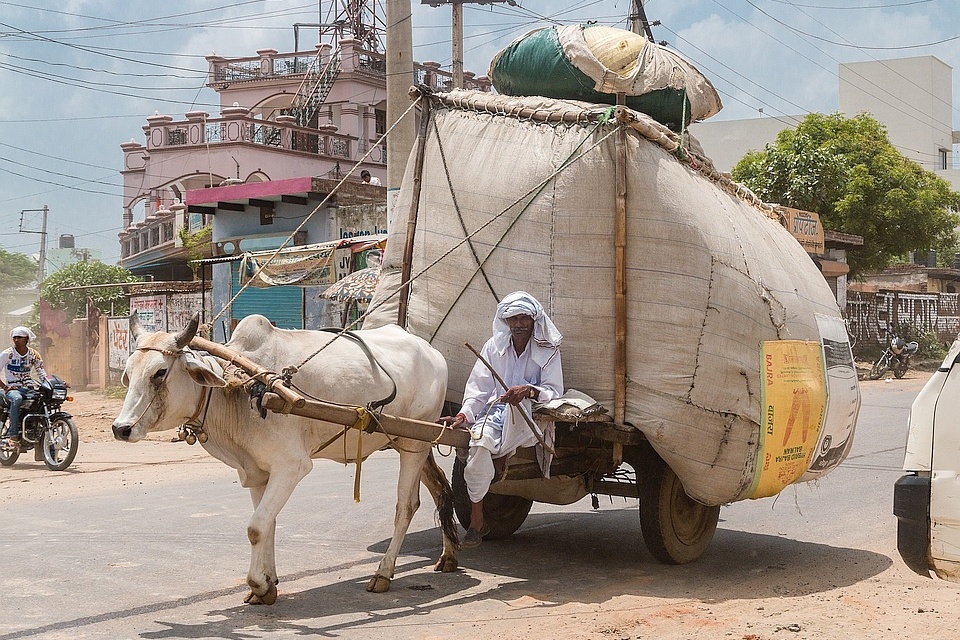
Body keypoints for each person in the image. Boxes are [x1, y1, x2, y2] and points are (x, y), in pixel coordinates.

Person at [443, 291, 563, 548]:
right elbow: (478, 389)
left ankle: (499, 457)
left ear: (533, 320)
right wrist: (464, 415)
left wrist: (528, 391)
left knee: (497, 432)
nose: (518, 324)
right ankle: (477, 520)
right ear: (506, 322)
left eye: (523, 318)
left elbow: (554, 391)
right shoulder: (493, 347)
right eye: (513, 319)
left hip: (531, 416)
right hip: (494, 414)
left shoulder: (548, 349)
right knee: (477, 447)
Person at [0, 326, 48, 445]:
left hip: (29, 388)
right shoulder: (7, 354)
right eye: (14, 337)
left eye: (19, 337)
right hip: (12, 389)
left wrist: (51, 383)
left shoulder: (34, 354)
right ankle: (13, 435)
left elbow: (41, 374)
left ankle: (40, 437)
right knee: (17, 399)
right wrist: (6, 387)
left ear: (27, 339)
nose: (16, 340)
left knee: (44, 400)